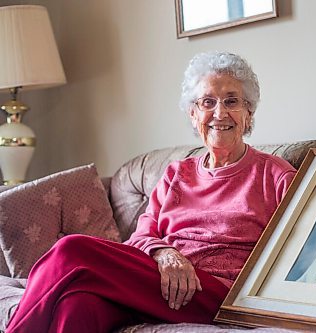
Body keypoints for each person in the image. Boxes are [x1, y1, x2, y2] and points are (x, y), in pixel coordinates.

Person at [6, 52, 296, 333]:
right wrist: (164, 252)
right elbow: (143, 235)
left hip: (219, 294)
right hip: (158, 282)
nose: (219, 113)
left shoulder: (276, 175)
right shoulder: (177, 174)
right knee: (78, 304)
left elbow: (299, 250)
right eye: (208, 102)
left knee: (71, 250)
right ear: (194, 115)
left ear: (249, 113)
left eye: (231, 101)